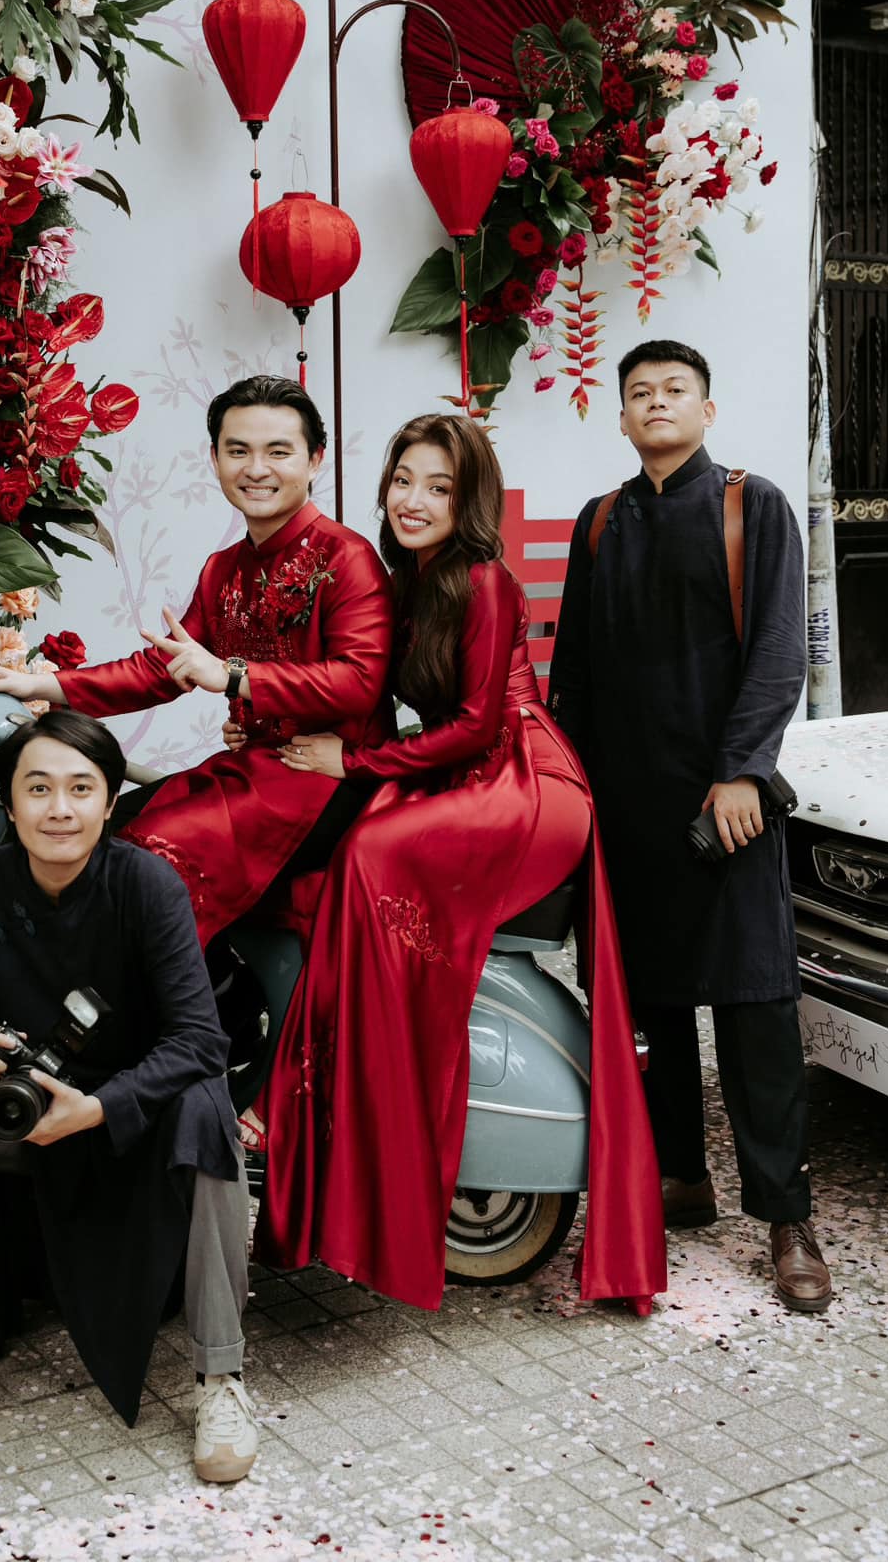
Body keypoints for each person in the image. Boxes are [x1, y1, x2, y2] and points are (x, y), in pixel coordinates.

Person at [251, 414, 665, 1314]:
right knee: (334, 859)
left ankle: (308, 1099)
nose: (414, 500)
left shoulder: (483, 580)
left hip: (525, 780)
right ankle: (330, 1096)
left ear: (467, 500)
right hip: (456, 770)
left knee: (370, 852)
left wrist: (354, 764)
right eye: (404, 479)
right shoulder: (403, 578)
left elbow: (477, 725)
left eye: (438, 487)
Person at [0, 711, 258, 1483]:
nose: (59, 809)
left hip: (130, 1113)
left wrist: (98, 1107)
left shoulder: (148, 885)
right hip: (23, 1110)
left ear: (108, 804)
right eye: (38, 789)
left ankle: (221, 1376)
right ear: (10, 803)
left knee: (206, 1107)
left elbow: (200, 1040)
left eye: (81, 789)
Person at [548, 340, 831, 1312]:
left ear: (706, 411)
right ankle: (681, 1176)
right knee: (651, 1004)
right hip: (627, 808)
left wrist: (742, 770)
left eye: (674, 390)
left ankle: (786, 1215)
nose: (656, 402)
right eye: (639, 392)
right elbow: (573, 672)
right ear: (622, 418)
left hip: (729, 807)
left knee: (756, 1008)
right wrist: (569, 790)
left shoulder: (752, 506)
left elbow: (778, 652)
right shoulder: (598, 523)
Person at [0, 375, 393, 946]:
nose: (256, 469)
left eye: (278, 452)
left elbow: (360, 682)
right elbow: (161, 669)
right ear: (214, 459)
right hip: (255, 772)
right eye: (237, 451)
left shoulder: (347, 557)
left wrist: (233, 677)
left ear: (314, 460)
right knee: (94, 837)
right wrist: (39, 685)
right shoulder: (224, 568)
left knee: (148, 864)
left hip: (327, 780)